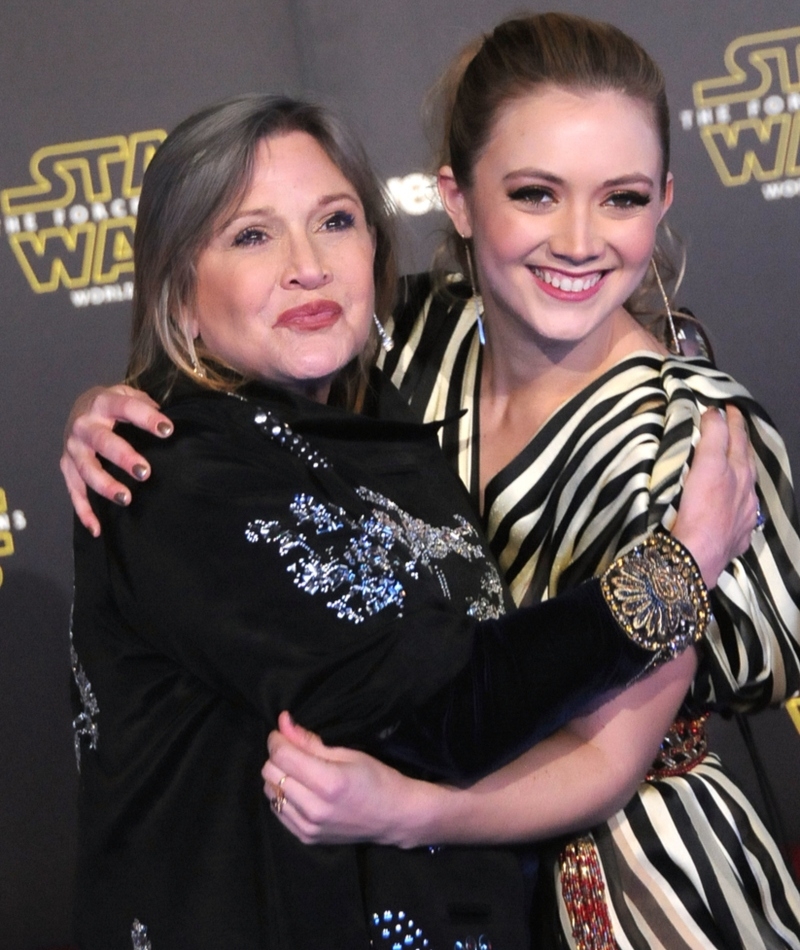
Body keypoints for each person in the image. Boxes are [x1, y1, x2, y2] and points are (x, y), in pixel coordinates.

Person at [60, 14, 800, 950]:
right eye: (535, 194)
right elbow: (247, 359)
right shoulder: (409, 343)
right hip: (428, 883)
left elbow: (612, 756)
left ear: (662, 202)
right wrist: (114, 401)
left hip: (640, 885)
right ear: (456, 198)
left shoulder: (694, 437)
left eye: (620, 197)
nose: (578, 240)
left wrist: (411, 810)